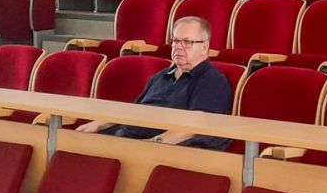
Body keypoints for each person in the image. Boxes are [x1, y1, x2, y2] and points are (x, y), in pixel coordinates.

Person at [74, 16, 232, 149]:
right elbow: (136, 111)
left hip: (163, 148)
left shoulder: (212, 80)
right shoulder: (160, 76)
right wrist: (99, 123)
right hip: (128, 138)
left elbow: (194, 126)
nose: (178, 47)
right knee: (77, 142)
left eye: (187, 42)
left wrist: (155, 143)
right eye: (175, 41)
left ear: (204, 47)